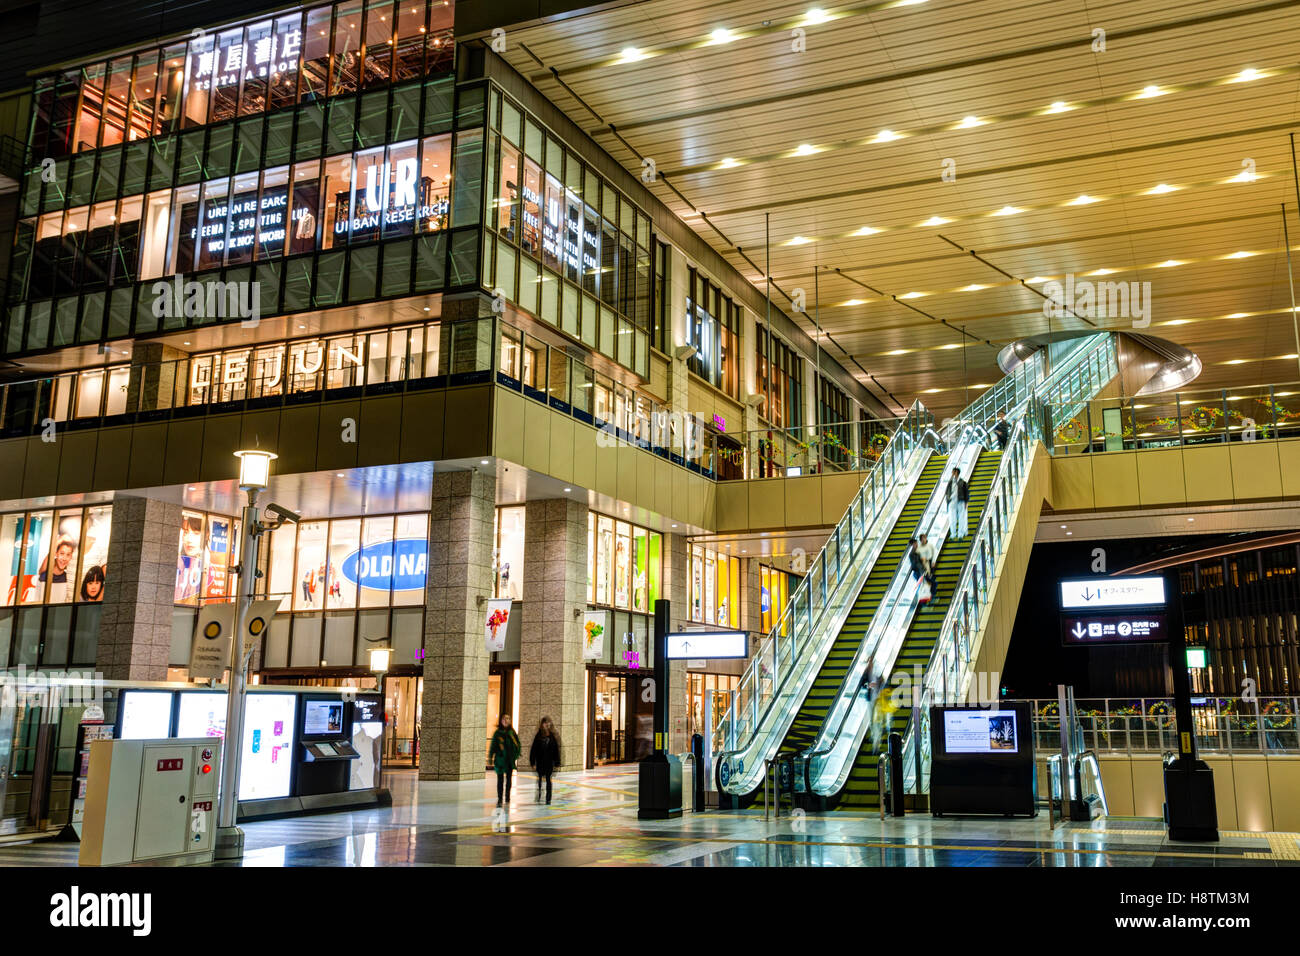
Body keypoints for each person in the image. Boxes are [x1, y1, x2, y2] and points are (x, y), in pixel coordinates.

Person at [488, 713, 521, 807]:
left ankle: (507, 796)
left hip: (509, 761)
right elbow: (493, 746)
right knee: (500, 780)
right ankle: (499, 798)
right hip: (500, 761)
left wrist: (516, 755)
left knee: (509, 780)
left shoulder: (512, 732)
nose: (506, 720)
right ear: (501, 721)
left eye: (508, 718)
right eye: (504, 719)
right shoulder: (497, 733)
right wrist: (490, 757)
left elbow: (518, 744)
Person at [529, 716, 562, 804]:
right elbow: (533, 750)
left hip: (549, 762)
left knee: (548, 780)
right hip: (540, 762)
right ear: (542, 724)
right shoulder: (538, 736)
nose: (547, 724)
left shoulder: (552, 736)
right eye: (545, 723)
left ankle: (548, 798)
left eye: (548, 723)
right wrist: (533, 762)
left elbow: (556, 750)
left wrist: (557, 762)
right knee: (539, 779)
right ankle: (539, 794)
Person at [38, 536, 77, 602]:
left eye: (68, 555)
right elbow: (41, 570)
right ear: (56, 554)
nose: (64, 558)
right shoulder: (45, 576)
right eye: (62, 553)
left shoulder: (68, 578)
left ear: (71, 557)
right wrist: (58, 541)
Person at [946, 465, 969, 540]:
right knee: (952, 518)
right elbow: (947, 491)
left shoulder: (962, 482)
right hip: (952, 501)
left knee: (961, 518)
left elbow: (966, 492)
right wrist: (948, 501)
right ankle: (953, 534)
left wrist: (966, 502)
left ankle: (960, 534)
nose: (952, 474)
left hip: (961, 501)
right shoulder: (950, 482)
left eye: (953, 472)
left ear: (956, 473)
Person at [916, 533, 937, 601]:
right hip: (923, 565)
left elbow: (934, 553)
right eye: (922, 539)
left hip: (930, 563)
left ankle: (932, 593)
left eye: (924, 538)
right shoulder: (919, 548)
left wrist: (933, 561)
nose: (923, 540)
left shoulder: (930, 545)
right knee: (927, 579)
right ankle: (929, 594)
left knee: (931, 578)